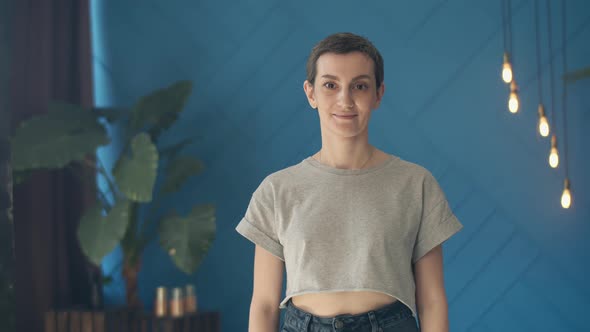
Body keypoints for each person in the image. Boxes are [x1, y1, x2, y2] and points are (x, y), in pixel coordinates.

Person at [236, 32, 463, 332]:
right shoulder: (276, 190)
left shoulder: (416, 184)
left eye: (360, 86)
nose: (345, 99)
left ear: (378, 94)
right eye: (330, 85)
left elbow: (432, 301)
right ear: (310, 93)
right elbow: (264, 304)